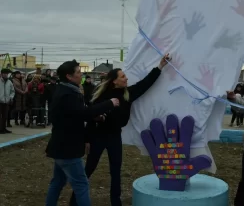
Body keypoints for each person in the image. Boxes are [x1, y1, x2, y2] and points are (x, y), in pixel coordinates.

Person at [69, 54, 171, 206]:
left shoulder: (127, 94)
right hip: (98, 136)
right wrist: (87, 140)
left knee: (116, 171)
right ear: (114, 81)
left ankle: (115, 202)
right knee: (89, 169)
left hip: (115, 137)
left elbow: (146, 83)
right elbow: (90, 118)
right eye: (123, 76)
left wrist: (161, 66)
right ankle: (74, 201)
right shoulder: (100, 96)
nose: (126, 78)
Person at [45, 60, 120, 206]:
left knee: (58, 182)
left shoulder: (67, 90)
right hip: (68, 148)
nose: (81, 75)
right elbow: (83, 113)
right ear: (69, 76)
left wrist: (93, 116)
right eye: (78, 72)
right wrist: (109, 103)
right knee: (81, 184)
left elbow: (76, 114)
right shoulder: (68, 94)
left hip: (60, 147)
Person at [0, 68, 15, 134]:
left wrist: (11, 98)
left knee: (5, 116)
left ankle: (4, 128)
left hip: (6, 102)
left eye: (7, 74)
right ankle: (0, 129)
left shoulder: (9, 82)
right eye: (5, 73)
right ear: (1, 74)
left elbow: (12, 91)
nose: (6, 75)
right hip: (0, 102)